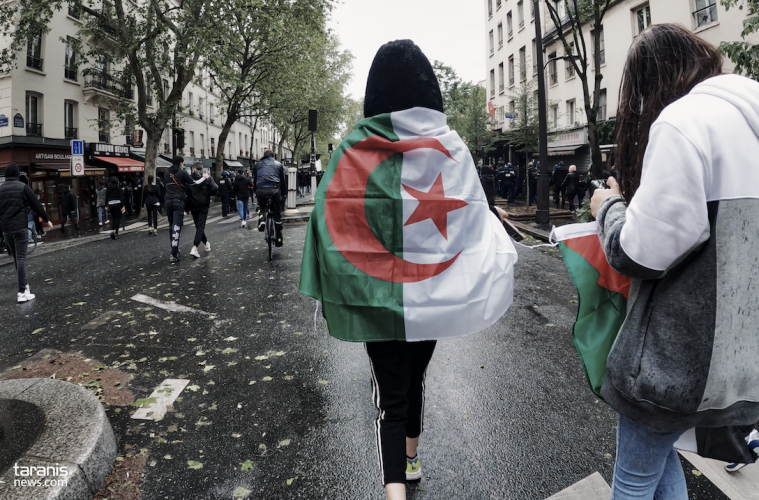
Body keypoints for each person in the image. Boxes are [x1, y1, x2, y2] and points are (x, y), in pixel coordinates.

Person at [299, 40, 517, 500]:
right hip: (432, 294)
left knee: (390, 394)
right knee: (415, 378)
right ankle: (411, 460)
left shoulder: (352, 150)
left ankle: (394, 489)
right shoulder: (451, 147)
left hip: (374, 295)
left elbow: (327, 217)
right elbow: (477, 212)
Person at [589, 24, 759, 499]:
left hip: (676, 364)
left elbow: (639, 252)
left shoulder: (684, 122)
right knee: (662, 461)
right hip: (743, 362)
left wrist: (608, 207)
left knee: (635, 478)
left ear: (652, 81)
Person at [0, 163, 53, 303]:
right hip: (20, 227)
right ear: (17, 174)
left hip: (6, 229)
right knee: (22, 258)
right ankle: (22, 292)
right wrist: (46, 219)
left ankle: (25, 287)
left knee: (17, 258)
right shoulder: (23, 187)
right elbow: (35, 204)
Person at [164, 156, 194, 262]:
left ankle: (174, 249)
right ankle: (173, 253)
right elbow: (192, 183)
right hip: (178, 200)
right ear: (181, 163)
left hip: (168, 200)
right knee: (177, 226)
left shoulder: (166, 173)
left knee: (171, 226)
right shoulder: (182, 172)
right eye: (183, 163)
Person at [255, 150, 286, 247]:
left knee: (260, 207)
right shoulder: (278, 164)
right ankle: (278, 240)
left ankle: (263, 219)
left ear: (264, 156)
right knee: (277, 213)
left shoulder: (257, 165)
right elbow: (283, 181)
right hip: (274, 189)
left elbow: (255, 180)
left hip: (261, 189)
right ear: (273, 156)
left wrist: (256, 192)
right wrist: (284, 194)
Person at [187, 162, 217, 258]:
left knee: (198, 226)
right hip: (203, 205)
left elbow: (186, 193)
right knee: (200, 227)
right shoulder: (207, 178)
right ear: (201, 169)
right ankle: (195, 247)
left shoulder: (189, 179)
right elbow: (215, 188)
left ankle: (206, 244)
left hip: (193, 205)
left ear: (194, 169)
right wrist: (208, 194)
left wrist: (186, 207)